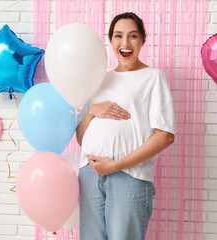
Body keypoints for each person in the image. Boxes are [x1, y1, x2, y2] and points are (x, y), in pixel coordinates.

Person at [76, 12, 176, 240]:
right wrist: (91, 112)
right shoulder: (99, 79)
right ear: (110, 41)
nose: (125, 43)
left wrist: (117, 165)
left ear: (143, 39)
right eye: (118, 36)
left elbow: (165, 136)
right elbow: (82, 139)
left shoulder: (153, 77)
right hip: (89, 174)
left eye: (133, 36)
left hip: (129, 174)